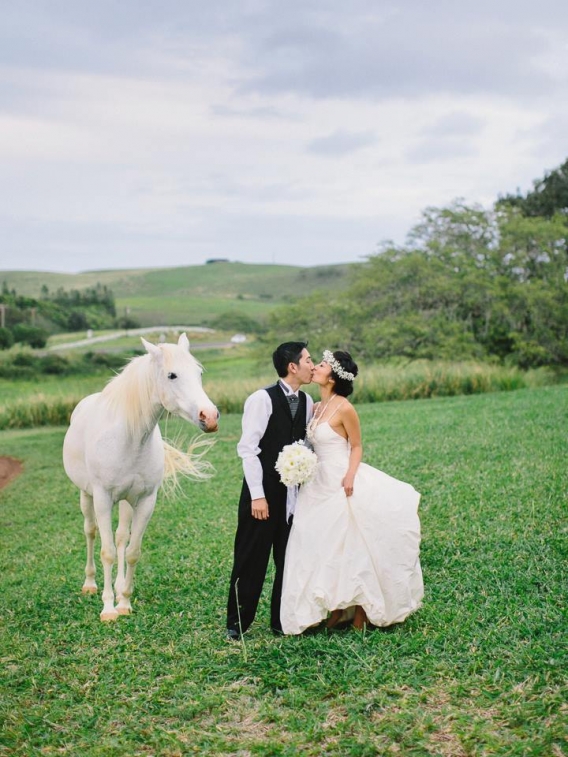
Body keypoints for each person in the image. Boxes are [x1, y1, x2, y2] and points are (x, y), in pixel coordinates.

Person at [280, 350, 424, 635]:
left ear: (332, 377)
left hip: (341, 480)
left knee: (354, 545)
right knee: (323, 545)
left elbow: (356, 446)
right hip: (316, 483)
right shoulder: (316, 406)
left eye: (320, 366)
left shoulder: (345, 408)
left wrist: (350, 475)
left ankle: (361, 610)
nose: (315, 368)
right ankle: (336, 608)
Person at [226, 341, 314, 640]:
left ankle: (281, 620)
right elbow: (248, 450)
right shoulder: (261, 399)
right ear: (293, 366)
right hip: (261, 495)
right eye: (308, 360)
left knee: (287, 560)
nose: (312, 366)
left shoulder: (308, 401)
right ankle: (237, 622)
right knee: (251, 557)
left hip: (293, 494)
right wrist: (257, 495)